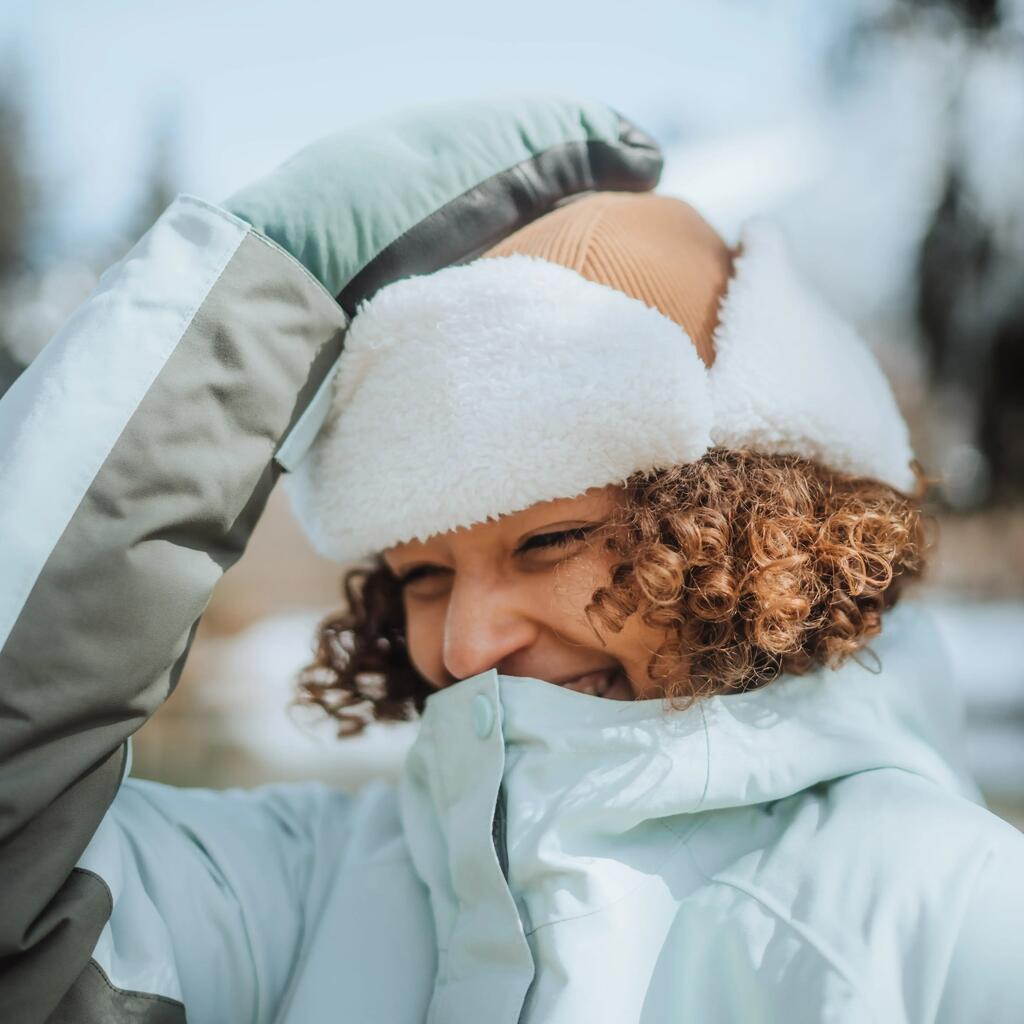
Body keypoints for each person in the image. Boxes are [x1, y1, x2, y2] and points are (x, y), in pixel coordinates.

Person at [0, 94, 1021, 1024]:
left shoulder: (957, 915)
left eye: (551, 540)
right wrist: (251, 298)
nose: (463, 640)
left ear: (760, 537)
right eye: (419, 575)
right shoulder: (299, 890)